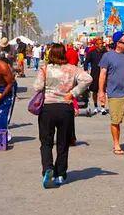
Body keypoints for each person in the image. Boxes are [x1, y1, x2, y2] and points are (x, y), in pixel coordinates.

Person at [33, 43, 92, 188]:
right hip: (65, 108)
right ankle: (61, 173)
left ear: (50, 54)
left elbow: (37, 87)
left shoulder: (45, 69)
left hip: (47, 108)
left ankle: (48, 169)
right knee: (63, 143)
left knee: (46, 142)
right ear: (64, 53)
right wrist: (73, 93)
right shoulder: (73, 69)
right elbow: (88, 79)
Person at [85, 37, 107, 115]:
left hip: (104, 74)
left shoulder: (105, 52)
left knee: (103, 91)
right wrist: (86, 70)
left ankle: (103, 107)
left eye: (102, 43)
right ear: (96, 45)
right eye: (100, 44)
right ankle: (96, 106)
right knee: (95, 91)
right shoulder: (92, 53)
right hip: (94, 74)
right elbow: (86, 61)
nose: (101, 45)